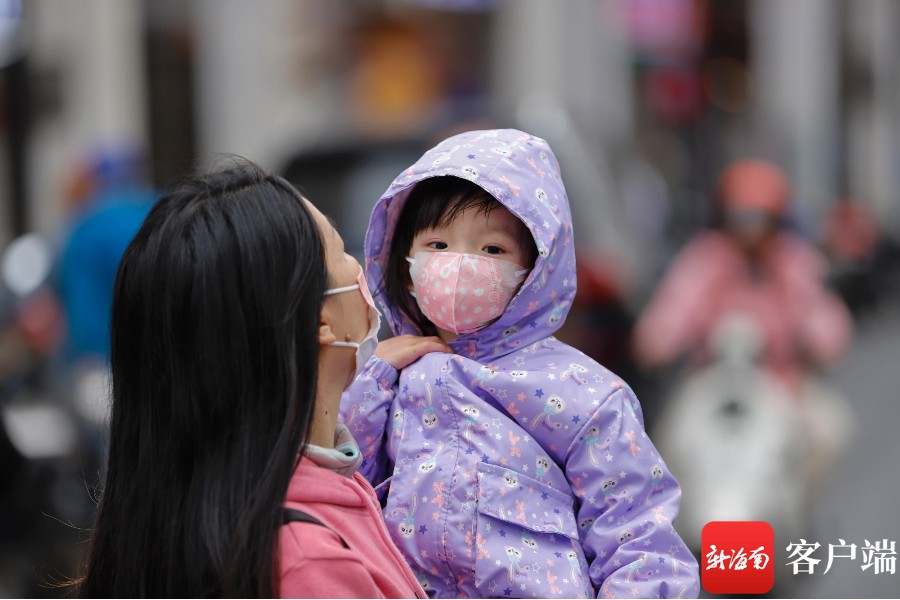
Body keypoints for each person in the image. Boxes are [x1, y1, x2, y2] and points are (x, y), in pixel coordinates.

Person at [339, 129, 700, 598]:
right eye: (437, 245)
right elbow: (342, 488)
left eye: (492, 249)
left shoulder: (580, 393)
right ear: (403, 260)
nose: (460, 265)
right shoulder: (388, 381)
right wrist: (373, 380)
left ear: (535, 271)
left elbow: (637, 535)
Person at [78, 159, 436, 598]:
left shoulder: (198, 519)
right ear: (317, 318)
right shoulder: (308, 564)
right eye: (342, 251)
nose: (360, 269)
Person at [632, 159, 854, 496]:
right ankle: (685, 527)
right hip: (710, 386)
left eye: (759, 218)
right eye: (741, 217)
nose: (749, 229)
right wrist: (658, 342)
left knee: (829, 430)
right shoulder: (706, 258)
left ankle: (792, 510)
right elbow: (668, 316)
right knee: (670, 442)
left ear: (777, 218)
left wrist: (810, 333)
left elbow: (829, 330)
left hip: (781, 385)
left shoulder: (794, 261)